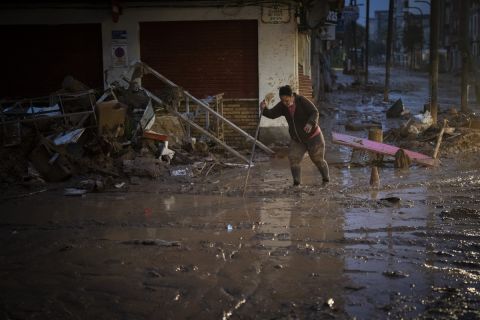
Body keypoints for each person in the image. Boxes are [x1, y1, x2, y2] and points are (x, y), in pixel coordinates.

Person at [260, 85, 330, 186]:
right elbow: (272, 114)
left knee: (317, 159)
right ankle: (296, 184)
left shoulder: (301, 101)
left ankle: (326, 180)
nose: (285, 103)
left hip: (314, 137)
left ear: (292, 96)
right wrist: (264, 109)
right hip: (297, 139)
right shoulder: (282, 106)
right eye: (283, 101)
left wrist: (310, 123)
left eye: (287, 100)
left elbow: (314, 112)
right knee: (293, 158)